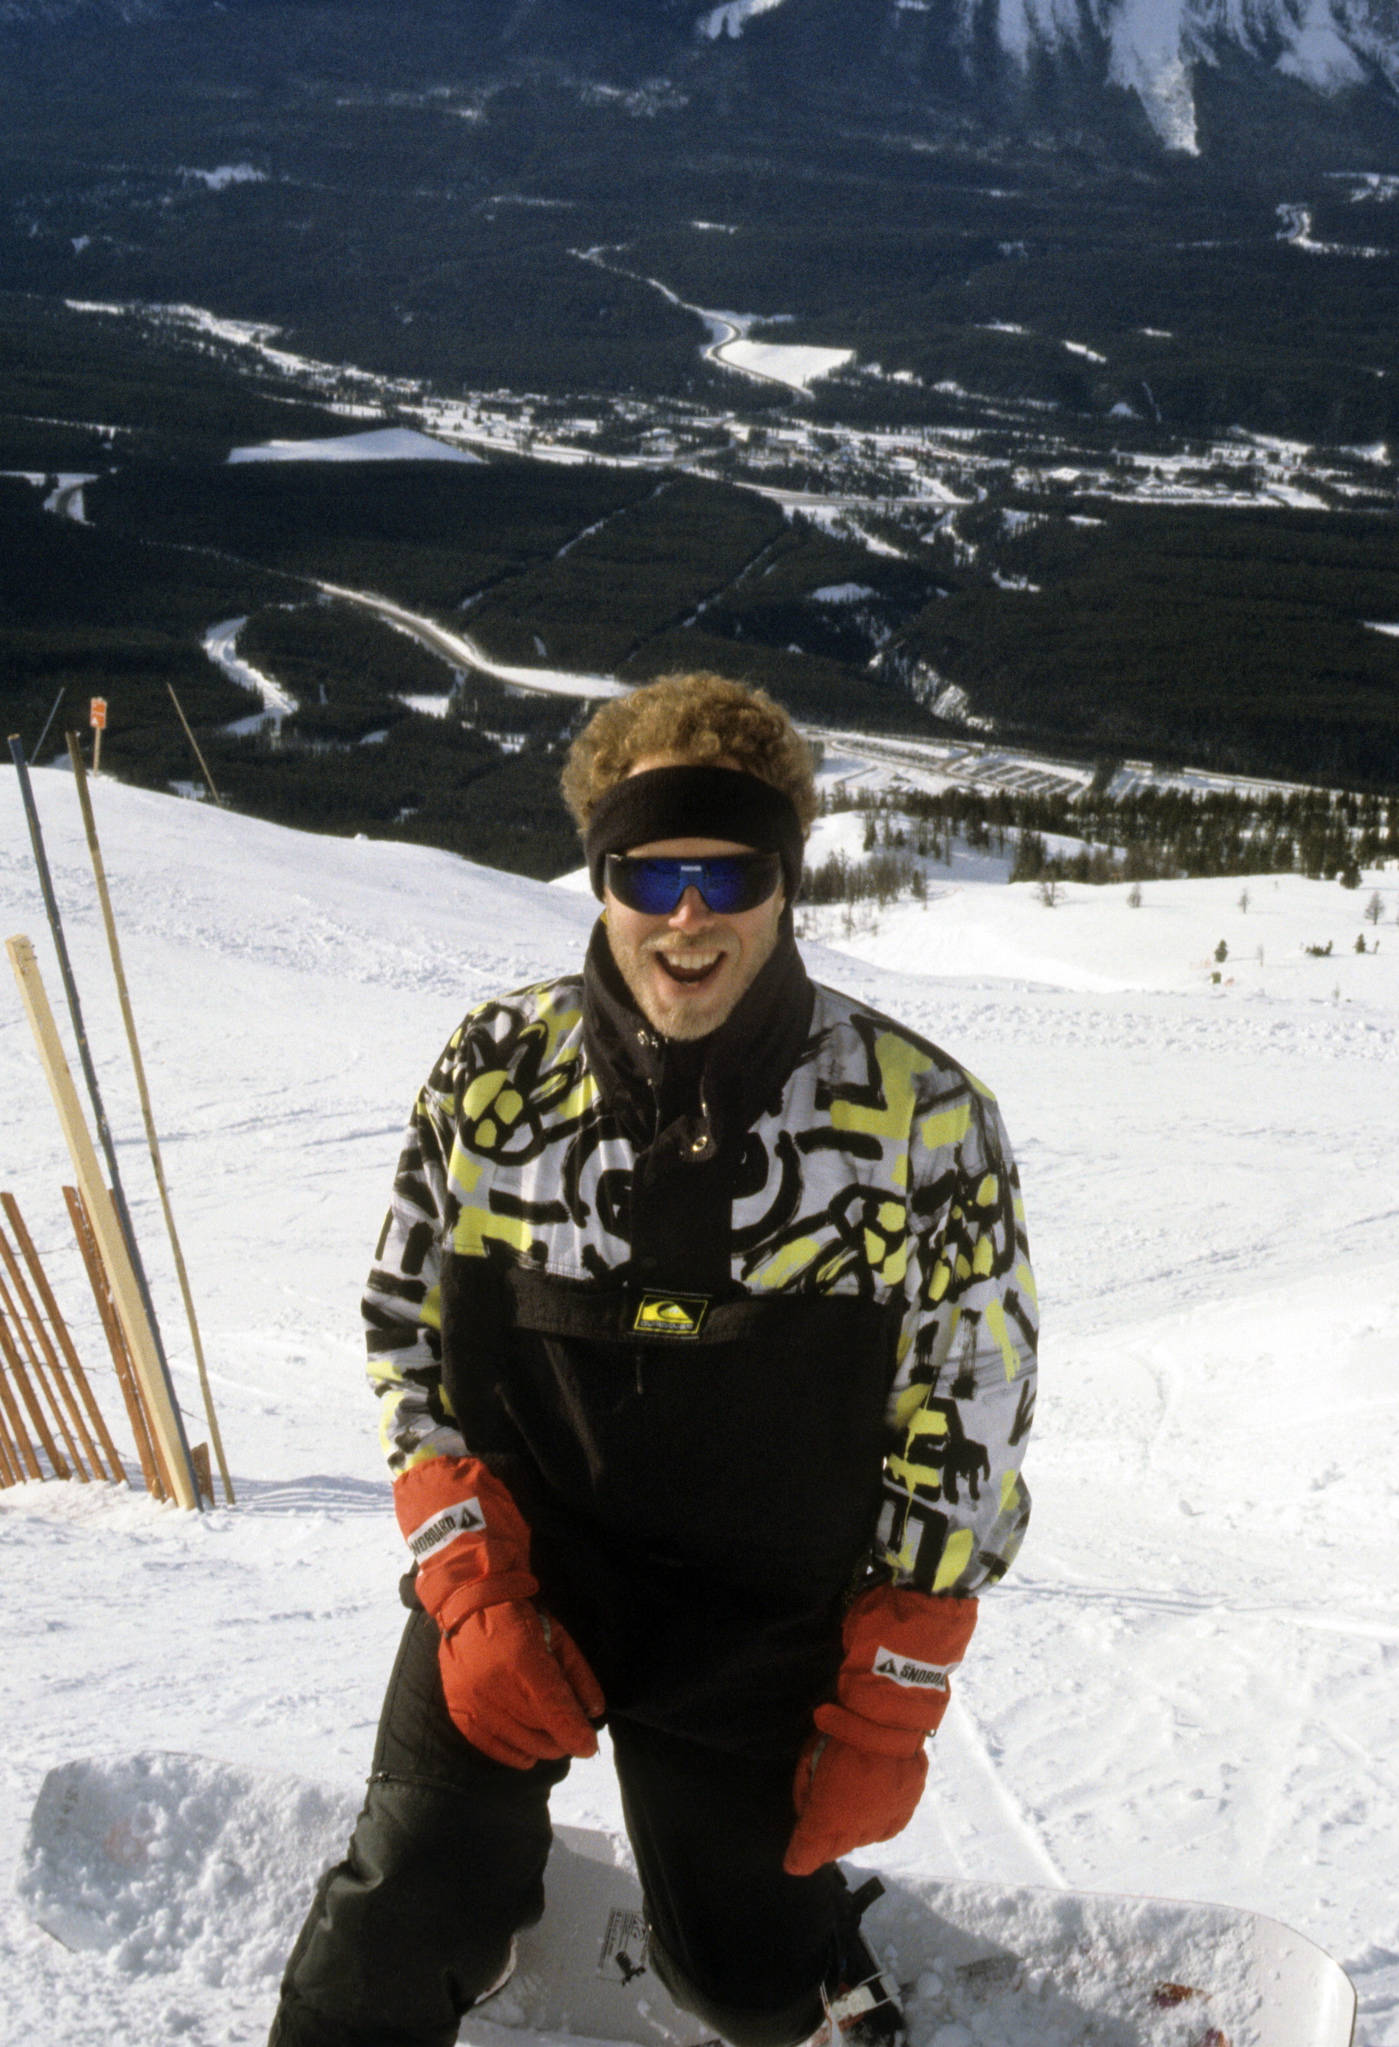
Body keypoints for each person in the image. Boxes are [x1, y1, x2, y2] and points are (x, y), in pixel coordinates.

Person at [269, 673, 1037, 2047]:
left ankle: (789, 1956)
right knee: (400, 1911)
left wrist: (892, 1688)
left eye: (728, 870)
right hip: (532, 1570)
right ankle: (479, 1910)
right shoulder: (497, 1075)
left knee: (742, 1979)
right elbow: (405, 1329)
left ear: (786, 881)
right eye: (652, 869)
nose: (690, 914)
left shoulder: (919, 1121)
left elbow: (969, 1396)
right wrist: (467, 1581)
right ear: (603, 875)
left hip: (760, 1614)